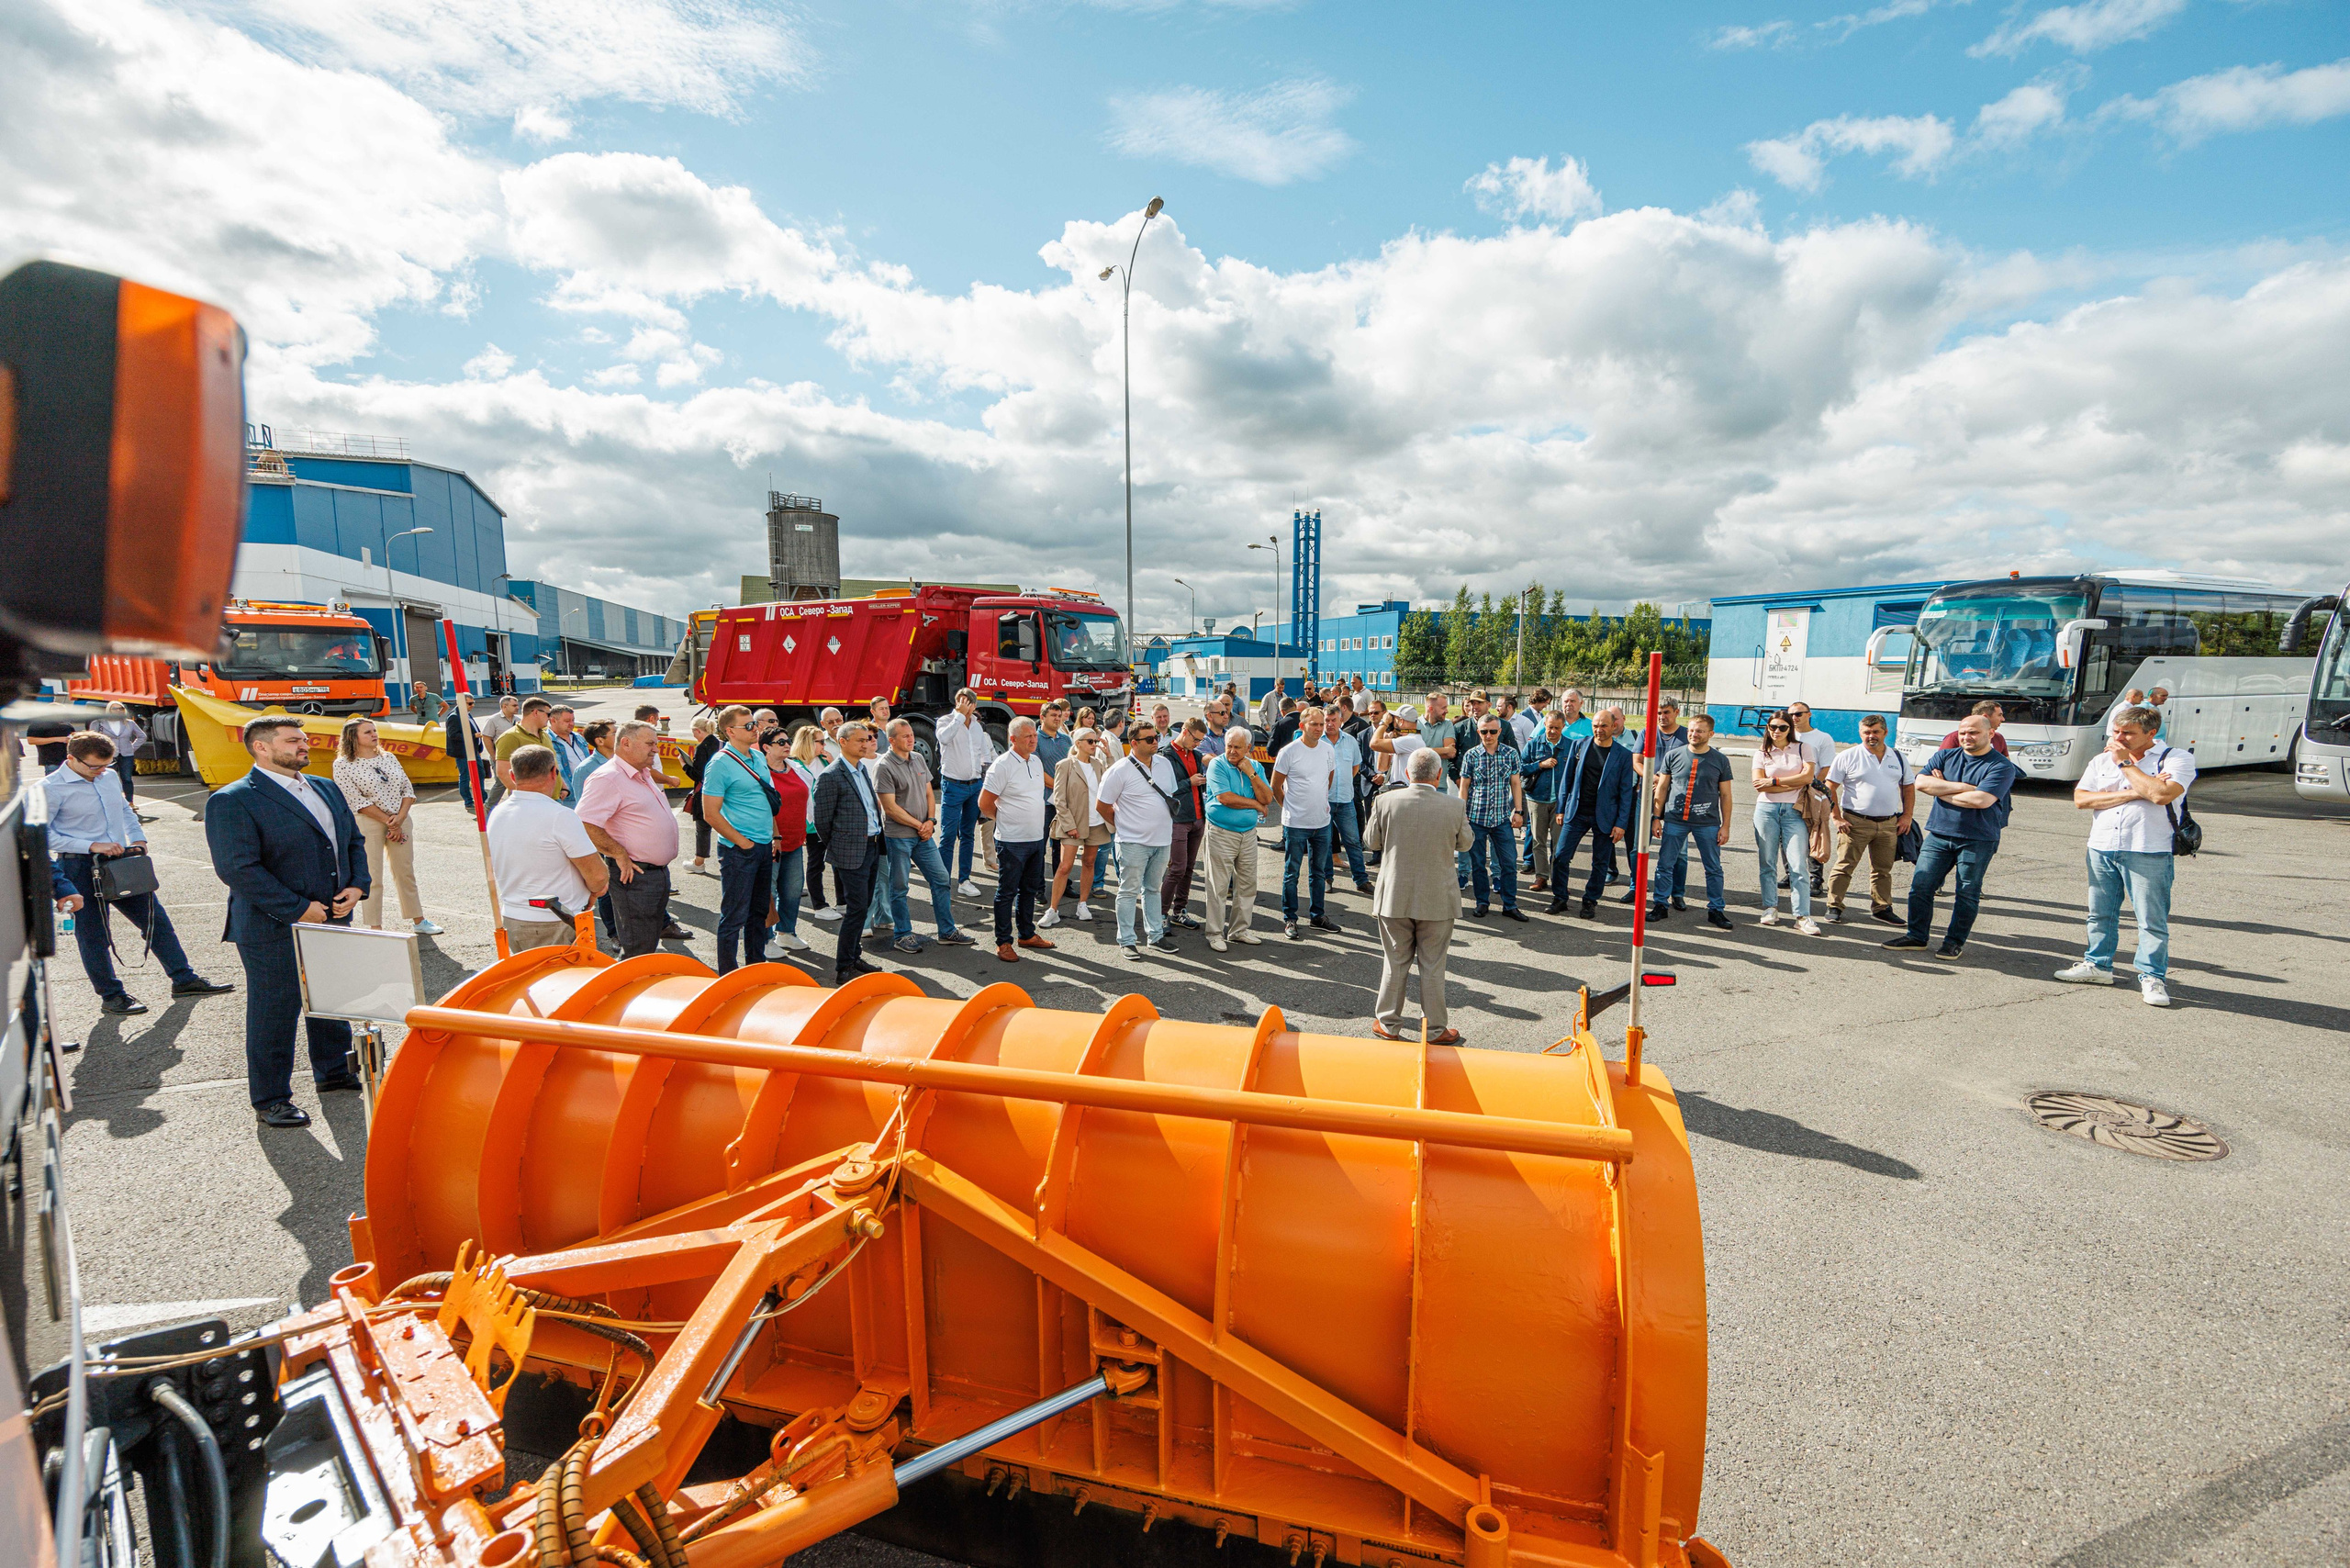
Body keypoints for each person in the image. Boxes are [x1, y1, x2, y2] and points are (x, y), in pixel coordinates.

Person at [205, 714, 369, 1130]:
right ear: (261, 747)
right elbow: (237, 868)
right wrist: (296, 907)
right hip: (271, 926)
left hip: (333, 916)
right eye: (293, 740)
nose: (304, 745)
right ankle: (271, 1098)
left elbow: (352, 841)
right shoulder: (233, 799)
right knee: (275, 1012)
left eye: (304, 739)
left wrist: (357, 886)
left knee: (330, 997)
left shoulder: (326, 787)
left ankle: (333, 1072)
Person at [45, 733, 233, 1016]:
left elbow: (124, 809)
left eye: (106, 765)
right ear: (70, 758)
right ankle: (112, 996)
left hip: (122, 861)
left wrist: (138, 838)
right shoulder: (49, 788)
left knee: (156, 921)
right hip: (78, 866)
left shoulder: (108, 776)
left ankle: (184, 979)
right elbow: (40, 836)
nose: (101, 772)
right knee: (94, 935)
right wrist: (90, 844)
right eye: (94, 767)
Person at [2054, 705, 2192, 1006]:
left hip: (2149, 849)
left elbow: (2161, 795)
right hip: (2102, 845)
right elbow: (2081, 799)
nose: (2119, 738)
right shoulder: (2101, 760)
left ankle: (2152, 977)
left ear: (2151, 734)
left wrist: (2126, 766)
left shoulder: (2177, 758)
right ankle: (2098, 965)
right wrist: (2135, 791)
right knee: (2100, 913)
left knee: (2150, 919)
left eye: (2128, 733)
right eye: (2116, 731)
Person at [1885, 713, 2024, 960]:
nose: (1966, 737)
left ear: (1991, 734)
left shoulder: (2001, 766)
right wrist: (1965, 788)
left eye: (1973, 732)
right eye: (1962, 732)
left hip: (1978, 838)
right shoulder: (1946, 756)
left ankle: (1953, 942)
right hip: (1939, 833)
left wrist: (1943, 790)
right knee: (1921, 887)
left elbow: (1982, 800)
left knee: (1967, 892)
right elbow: (1921, 783)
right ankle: (1917, 936)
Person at [1365, 748, 1473, 1044]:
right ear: (1439, 775)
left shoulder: (1385, 801)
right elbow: (1466, 844)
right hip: (1437, 897)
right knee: (1433, 965)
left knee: (1395, 961)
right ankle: (1436, 1030)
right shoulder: (1454, 805)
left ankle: (1388, 1024)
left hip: (1394, 896)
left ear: (1407, 774)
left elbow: (1370, 841)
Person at [576, 720, 686, 958]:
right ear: (625, 743)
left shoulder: (641, 773)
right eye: (649, 743)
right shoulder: (608, 778)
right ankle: (630, 988)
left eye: (655, 743)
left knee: (647, 940)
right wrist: (618, 853)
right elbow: (584, 822)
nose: (655, 749)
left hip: (655, 873)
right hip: (634, 875)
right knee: (637, 946)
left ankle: (641, 984)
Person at [487, 745, 610, 952]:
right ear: (554, 773)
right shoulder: (559, 815)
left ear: (512, 775)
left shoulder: (498, 813)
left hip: (513, 916)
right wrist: (596, 890)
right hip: (555, 920)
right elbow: (597, 876)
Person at [877, 717, 976, 954]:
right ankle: (902, 935)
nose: (911, 739)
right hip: (899, 835)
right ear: (891, 740)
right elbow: (889, 807)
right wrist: (919, 825)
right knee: (899, 887)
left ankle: (947, 931)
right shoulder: (884, 766)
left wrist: (930, 822)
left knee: (941, 879)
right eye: (905, 736)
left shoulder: (919, 758)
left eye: (911, 734)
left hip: (923, 834)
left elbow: (930, 793)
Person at [332, 718, 439, 935]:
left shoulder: (389, 757)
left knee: (405, 871)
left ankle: (418, 920)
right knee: (371, 874)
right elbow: (355, 800)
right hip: (368, 823)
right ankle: (375, 926)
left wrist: (399, 820)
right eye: (368, 732)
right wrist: (389, 821)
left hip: (400, 819)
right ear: (353, 738)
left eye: (374, 731)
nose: (374, 735)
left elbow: (407, 789)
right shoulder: (343, 764)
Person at [702, 706, 779, 973]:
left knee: (759, 913)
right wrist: (743, 843)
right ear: (729, 731)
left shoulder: (758, 757)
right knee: (734, 916)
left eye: (754, 724)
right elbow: (710, 814)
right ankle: (728, 974)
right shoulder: (720, 763)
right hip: (739, 851)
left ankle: (755, 967)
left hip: (763, 846)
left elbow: (766, 802)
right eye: (747, 726)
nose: (754, 729)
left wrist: (774, 835)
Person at [1095, 720, 1181, 958]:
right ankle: (1127, 940)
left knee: (1153, 889)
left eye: (1156, 738)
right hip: (1132, 842)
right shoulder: (1119, 770)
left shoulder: (1164, 764)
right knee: (1128, 891)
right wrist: (1123, 825)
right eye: (1150, 739)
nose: (1156, 742)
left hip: (1162, 841)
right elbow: (1102, 806)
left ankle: (1155, 936)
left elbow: (1168, 796)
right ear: (1133, 743)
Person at [807, 722, 885, 980]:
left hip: (872, 845)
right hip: (851, 852)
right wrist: (841, 847)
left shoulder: (862, 769)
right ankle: (844, 967)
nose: (866, 744)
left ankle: (855, 957)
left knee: (863, 908)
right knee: (856, 909)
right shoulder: (831, 776)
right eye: (860, 740)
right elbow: (822, 822)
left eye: (867, 739)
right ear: (842, 742)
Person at [1822, 714, 1914, 926]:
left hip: (1889, 824)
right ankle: (1834, 906)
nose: (1871, 736)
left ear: (1885, 733)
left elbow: (1908, 787)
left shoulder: (1898, 757)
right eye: (1866, 732)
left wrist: (1907, 815)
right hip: (1855, 822)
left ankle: (1882, 908)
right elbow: (1830, 787)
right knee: (1845, 865)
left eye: (1875, 732)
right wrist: (1835, 817)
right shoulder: (1848, 756)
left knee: (1883, 870)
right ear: (1860, 733)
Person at [1546, 709, 1638, 918]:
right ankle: (1559, 898)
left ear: (1613, 726)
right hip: (1576, 812)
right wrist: (1561, 808)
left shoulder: (1623, 755)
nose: (1599, 730)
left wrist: (1621, 823)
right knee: (1560, 857)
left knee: (1600, 862)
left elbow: (1626, 792)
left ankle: (1590, 901)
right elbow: (1567, 780)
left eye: (1604, 725)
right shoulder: (1580, 746)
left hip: (1605, 817)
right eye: (1595, 725)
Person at [1649, 714, 1736, 928]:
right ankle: (1660, 904)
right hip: (1675, 820)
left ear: (1710, 734)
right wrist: (1656, 817)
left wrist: (1725, 826)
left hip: (1707, 823)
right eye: (1691, 730)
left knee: (1713, 868)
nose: (1693, 734)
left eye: (1699, 731)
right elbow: (1662, 788)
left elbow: (1725, 795)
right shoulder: (1674, 755)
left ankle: (1716, 909)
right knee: (1665, 865)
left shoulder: (1720, 760)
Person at [979, 718, 1054, 962]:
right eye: (1027, 737)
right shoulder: (1001, 766)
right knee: (1007, 892)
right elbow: (985, 803)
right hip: (1011, 842)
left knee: (1030, 889)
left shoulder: (1035, 761)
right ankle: (1003, 942)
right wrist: (1005, 820)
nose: (1033, 740)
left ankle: (1026, 934)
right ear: (1013, 739)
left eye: (1034, 735)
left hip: (1035, 839)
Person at [1272, 707, 1341, 939]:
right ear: (1302, 726)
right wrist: (1289, 808)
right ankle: (1290, 918)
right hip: (1296, 823)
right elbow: (1276, 786)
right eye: (1314, 724)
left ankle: (1317, 916)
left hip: (1322, 821)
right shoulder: (1289, 752)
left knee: (1318, 872)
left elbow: (1328, 779)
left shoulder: (1327, 749)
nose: (1320, 729)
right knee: (1292, 872)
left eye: (1322, 725)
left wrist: (1318, 803)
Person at [1750, 712, 1821, 935]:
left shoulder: (1803, 749)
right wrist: (1791, 783)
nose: (1777, 731)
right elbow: (1759, 786)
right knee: (1767, 863)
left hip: (1795, 811)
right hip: (1766, 810)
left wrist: (1774, 781)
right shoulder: (1761, 753)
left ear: (1790, 728)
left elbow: (1807, 778)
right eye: (1772, 727)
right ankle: (1770, 908)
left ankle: (1802, 916)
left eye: (1782, 727)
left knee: (1798, 864)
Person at [1203, 725, 1272, 951]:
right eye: (1229, 746)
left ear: (1248, 748)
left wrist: (1250, 773)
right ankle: (1214, 933)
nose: (1231, 751)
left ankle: (1239, 931)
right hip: (1221, 833)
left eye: (1237, 747)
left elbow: (1267, 797)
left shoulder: (1256, 766)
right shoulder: (1217, 764)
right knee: (1218, 886)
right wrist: (1255, 804)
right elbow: (1225, 798)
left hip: (1248, 834)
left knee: (1247, 884)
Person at [1619, 699, 1694, 904]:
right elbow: (1636, 762)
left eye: (1666, 712)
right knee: (1638, 846)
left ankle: (1677, 893)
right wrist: (1654, 778)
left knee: (1679, 851)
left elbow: (1690, 765)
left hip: (1676, 798)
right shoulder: (1646, 733)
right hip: (1647, 794)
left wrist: (1667, 781)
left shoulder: (1686, 735)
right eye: (1658, 713)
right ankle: (1636, 887)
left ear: (1677, 712)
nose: (1662, 717)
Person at [1459, 711, 1528, 922]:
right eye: (1484, 731)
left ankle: (1510, 904)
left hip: (1501, 819)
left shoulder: (1510, 754)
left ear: (1499, 731)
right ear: (1479, 732)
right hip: (1476, 818)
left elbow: (1515, 783)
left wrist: (1519, 810)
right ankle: (1482, 902)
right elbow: (1464, 786)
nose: (1488, 735)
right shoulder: (1471, 755)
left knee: (1509, 862)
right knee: (1478, 864)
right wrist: (1462, 815)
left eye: (1493, 731)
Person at [1043, 727, 1108, 927]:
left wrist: (1109, 754)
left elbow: (1109, 788)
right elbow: (1059, 799)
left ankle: (1083, 904)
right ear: (1078, 743)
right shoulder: (1065, 765)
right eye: (1090, 741)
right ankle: (1053, 909)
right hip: (1073, 823)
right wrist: (1070, 825)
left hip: (1096, 823)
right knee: (1065, 866)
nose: (1094, 744)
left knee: (1089, 862)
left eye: (1095, 741)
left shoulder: (1098, 764)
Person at [778, 726, 832, 946]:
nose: (823, 746)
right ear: (808, 743)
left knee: (822, 864)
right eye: (819, 741)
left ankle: (829, 905)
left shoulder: (825, 761)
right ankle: (818, 905)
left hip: (824, 819)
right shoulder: (793, 765)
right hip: (804, 824)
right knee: (813, 864)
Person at [936, 689, 990, 897]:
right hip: (953, 785)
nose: (963, 705)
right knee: (948, 836)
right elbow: (944, 738)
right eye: (960, 701)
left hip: (974, 786)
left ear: (974, 705)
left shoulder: (977, 727)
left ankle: (964, 880)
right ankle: (942, 884)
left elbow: (985, 756)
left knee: (968, 834)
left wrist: (985, 783)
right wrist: (959, 716)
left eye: (968, 702)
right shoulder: (946, 721)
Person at [1784, 701, 1837, 900]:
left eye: (1798, 714)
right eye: (1791, 714)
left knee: (1813, 833)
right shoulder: (1786, 734)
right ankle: (1790, 874)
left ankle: (1815, 879)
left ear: (1809, 714)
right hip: (1787, 791)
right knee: (1786, 833)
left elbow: (1826, 767)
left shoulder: (1822, 738)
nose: (1794, 717)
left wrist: (1812, 786)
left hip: (1811, 791)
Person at [1162, 717, 1211, 929]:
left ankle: (1179, 910)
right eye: (1196, 739)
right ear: (1185, 731)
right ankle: (1160, 913)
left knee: (1188, 868)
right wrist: (1188, 783)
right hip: (1178, 819)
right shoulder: (1165, 755)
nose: (1197, 744)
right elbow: (1165, 789)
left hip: (1197, 818)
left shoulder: (1196, 755)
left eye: (1200, 741)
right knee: (1177, 868)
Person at [1520, 707, 1570, 893]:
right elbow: (1520, 768)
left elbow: (1575, 774)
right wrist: (1540, 765)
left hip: (1560, 802)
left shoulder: (1571, 745)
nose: (1553, 731)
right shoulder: (1534, 744)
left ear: (1563, 726)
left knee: (1559, 843)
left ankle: (1558, 879)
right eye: (1550, 727)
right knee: (1538, 841)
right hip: (1537, 799)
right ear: (1545, 726)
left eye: (1557, 727)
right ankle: (1541, 876)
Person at [1326, 709, 1372, 895]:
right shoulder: (1318, 742)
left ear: (1340, 720)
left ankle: (1361, 880)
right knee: (1325, 843)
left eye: (1333, 720)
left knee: (1353, 841)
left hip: (1345, 799)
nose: (1330, 724)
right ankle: (1327, 879)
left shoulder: (1350, 741)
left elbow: (1355, 765)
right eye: (1327, 720)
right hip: (1324, 801)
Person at [495, 698, 563, 804]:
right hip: (532, 803)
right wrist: (526, 798)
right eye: (548, 714)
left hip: (554, 799)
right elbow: (503, 773)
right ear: (536, 712)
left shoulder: (545, 735)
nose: (550, 718)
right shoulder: (510, 737)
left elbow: (554, 764)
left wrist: (563, 787)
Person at [92, 701, 149, 819]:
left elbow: (142, 736)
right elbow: (92, 738)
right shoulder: (100, 723)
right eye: (115, 709)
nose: (118, 711)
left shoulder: (129, 723)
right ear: (109, 710)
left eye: (121, 708)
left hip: (126, 754)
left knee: (127, 778)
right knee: (108, 779)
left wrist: (132, 748)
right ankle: (110, 803)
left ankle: (130, 802)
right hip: (108, 755)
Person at [681, 716, 722, 878]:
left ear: (698, 730)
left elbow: (698, 774)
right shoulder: (721, 744)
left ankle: (699, 862)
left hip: (706, 792)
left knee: (703, 829)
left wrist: (684, 765)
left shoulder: (702, 748)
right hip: (724, 792)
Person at [546, 704, 591, 801]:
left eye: (573, 720)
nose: (572, 724)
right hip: (569, 796)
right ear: (553, 720)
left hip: (589, 791)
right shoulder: (547, 740)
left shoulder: (578, 737)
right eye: (567, 721)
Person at [1940, 699, 2008, 755]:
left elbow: (2007, 765)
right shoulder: (1954, 738)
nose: (2003, 719)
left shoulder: (1999, 738)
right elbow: (1939, 764)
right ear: (1985, 717)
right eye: (1999, 715)